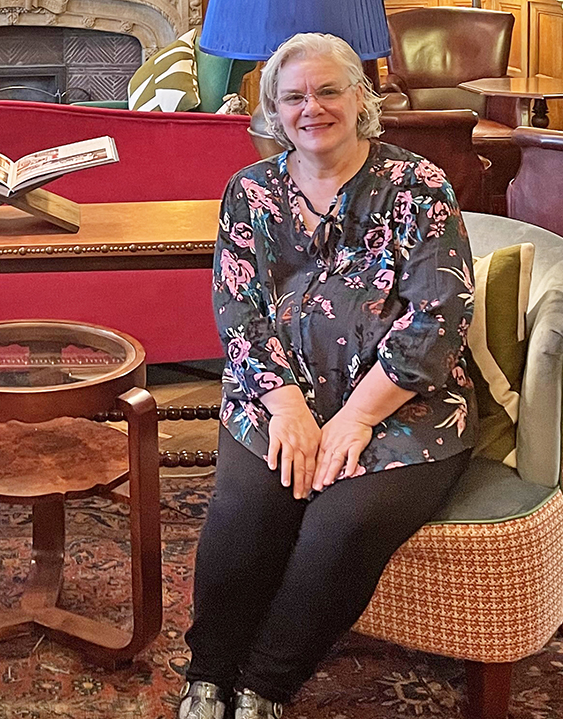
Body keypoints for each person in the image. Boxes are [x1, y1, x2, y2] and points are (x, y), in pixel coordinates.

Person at [178, 33, 478, 719]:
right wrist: (286, 408)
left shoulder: (419, 186)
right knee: (244, 509)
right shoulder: (249, 191)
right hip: (277, 393)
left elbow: (440, 315)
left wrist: (358, 417)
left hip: (406, 405)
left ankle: (264, 684)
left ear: (360, 99)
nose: (311, 107)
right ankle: (208, 673)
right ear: (274, 113)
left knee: (341, 524)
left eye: (328, 90)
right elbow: (239, 309)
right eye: (293, 97)